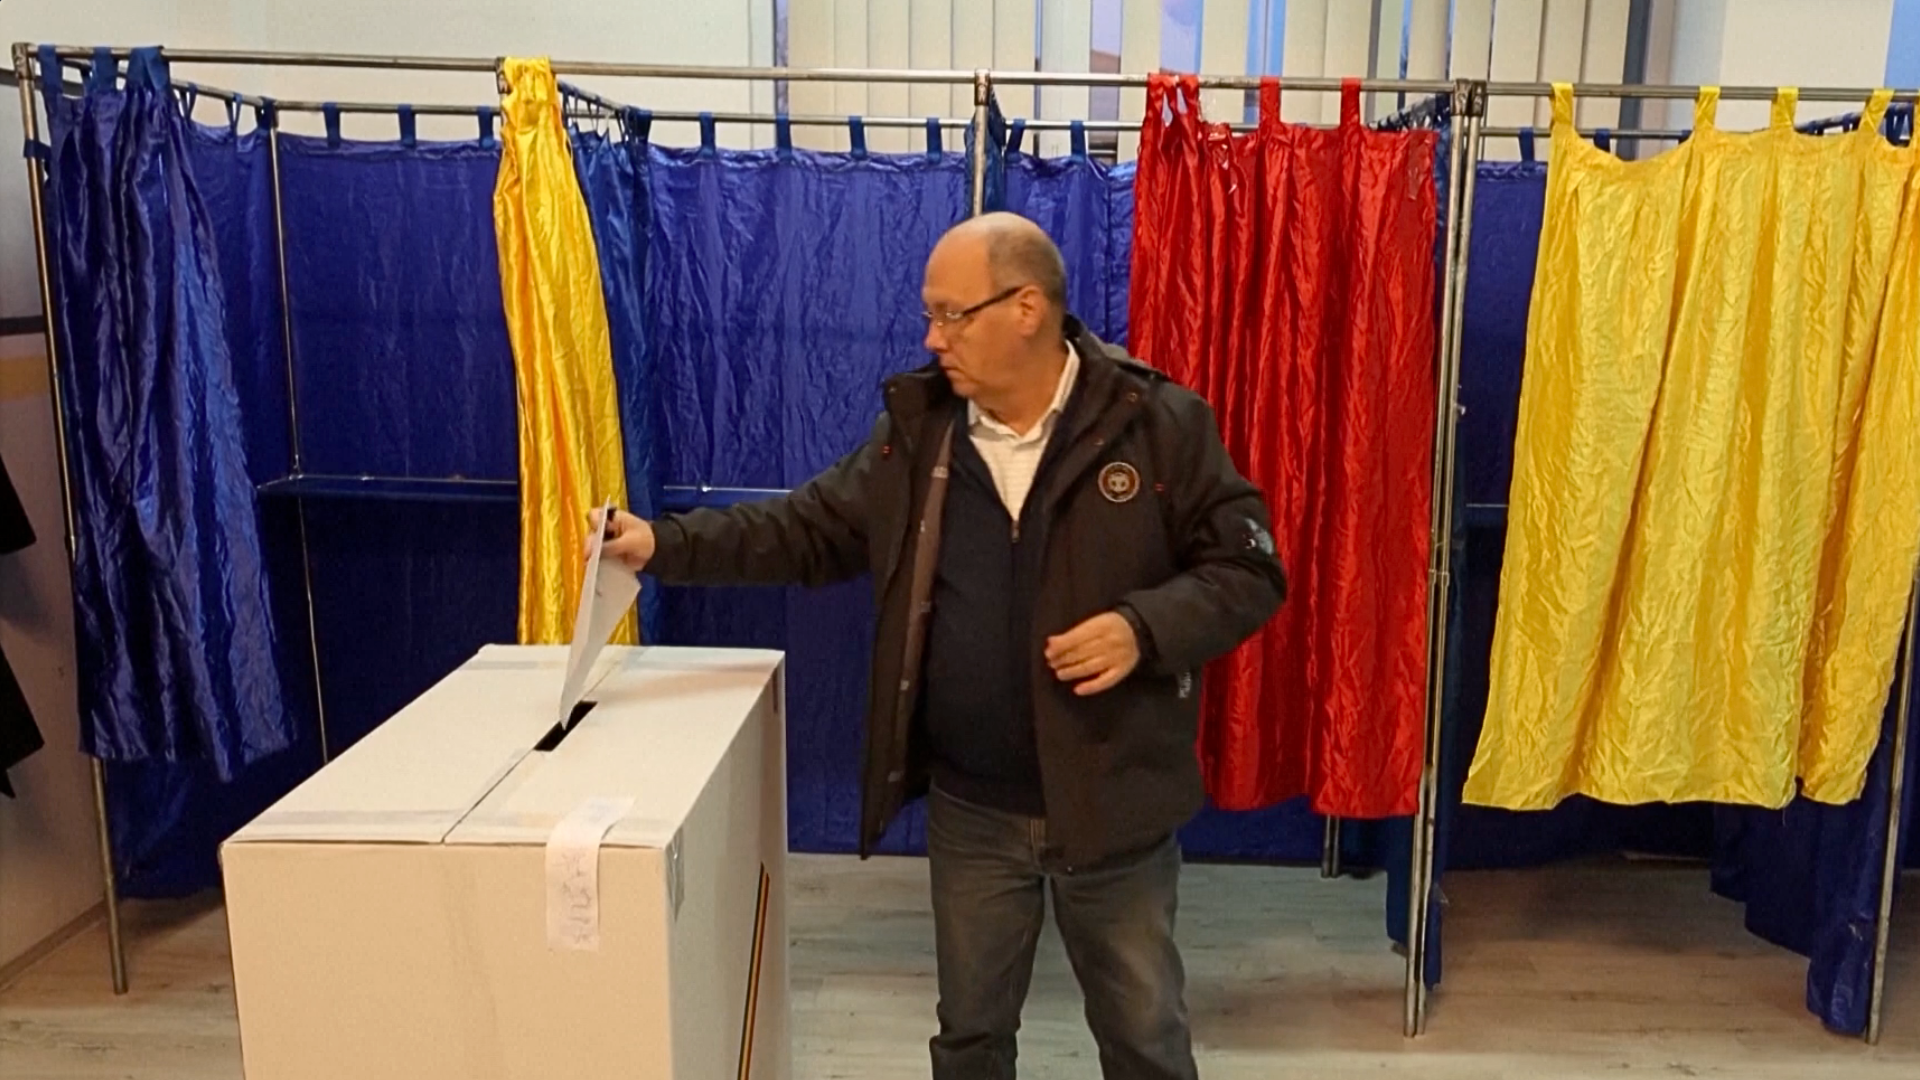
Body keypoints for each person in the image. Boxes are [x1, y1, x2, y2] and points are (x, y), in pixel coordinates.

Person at [600, 212, 1284, 1080]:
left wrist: (1145, 627)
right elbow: (804, 530)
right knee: (969, 1042)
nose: (933, 337)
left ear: (1027, 307)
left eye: (952, 313)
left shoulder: (1160, 425)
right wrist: (664, 544)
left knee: (1145, 1040)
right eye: (931, 314)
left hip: (1115, 805)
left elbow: (1250, 569)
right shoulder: (916, 434)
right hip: (974, 812)